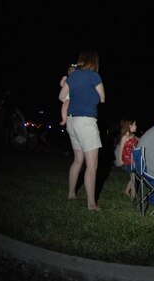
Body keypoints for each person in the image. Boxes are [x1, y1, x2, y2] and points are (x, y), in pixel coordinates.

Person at [59, 49, 105, 212]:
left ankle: (71, 193)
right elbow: (102, 98)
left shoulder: (73, 76)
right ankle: (91, 204)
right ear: (94, 61)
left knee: (78, 160)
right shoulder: (94, 76)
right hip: (86, 122)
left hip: (71, 121)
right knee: (91, 165)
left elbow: (61, 96)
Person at [115, 118, 138, 198]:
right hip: (127, 161)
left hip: (133, 160)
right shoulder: (125, 137)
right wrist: (120, 160)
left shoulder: (133, 135)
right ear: (130, 126)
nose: (136, 126)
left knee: (133, 176)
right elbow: (121, 149)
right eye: (134, 124)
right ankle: (133, 195)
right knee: (133, 177)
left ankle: (127, 191)